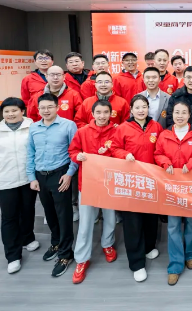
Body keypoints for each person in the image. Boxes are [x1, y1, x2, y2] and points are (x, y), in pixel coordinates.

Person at [0, 97, 39, 274]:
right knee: (9, 217)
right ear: (2, 113)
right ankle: (13, 255)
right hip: (6, 181)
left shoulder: (33, 127)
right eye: (7, 111)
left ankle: (27, 238)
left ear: (23, 111)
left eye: (14, 110)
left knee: (28, 211)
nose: (10, 114)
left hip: (28, 179)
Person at [154, 101, 192, 286]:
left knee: (191, 223)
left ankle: (190, 255)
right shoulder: (164, 135)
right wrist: (165, 162)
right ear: (172, 114)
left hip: (191, 186)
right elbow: (157, 153)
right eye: (177, 112)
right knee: (173, 225)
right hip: (172, 187)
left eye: (183, 112)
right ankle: (175, 265)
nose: (179, 116)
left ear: (189, 115)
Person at [111, 95, 164, 282]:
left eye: (144, 107)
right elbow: (114, 149)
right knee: (133, 223)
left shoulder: (156, 127)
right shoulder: (123, 128)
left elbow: (161, 150)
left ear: (148, 108)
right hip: (131, 183)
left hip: (151, 182)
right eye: (137, 107)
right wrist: (124, 154)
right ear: (131, 110)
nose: (141, 110)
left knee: (150, 219)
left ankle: (149, 247)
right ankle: (137, 263)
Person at [27, 94, 78, 277]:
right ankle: (56, 242)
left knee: (64, 215)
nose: (46, 110)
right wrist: (31, 177)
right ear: (38, 109)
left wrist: (69, 174)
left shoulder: (68, 125)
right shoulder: (34, 128)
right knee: (49, 213)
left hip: (60, 174)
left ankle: (66, 254)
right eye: (42, 108)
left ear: (57, 107)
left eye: (50, 107)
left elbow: (75, 151)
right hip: (40, 176)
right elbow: (30, 153)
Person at [68, 100, 118, 284]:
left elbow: (121, 153)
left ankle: (108, 244)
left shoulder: (117, 131)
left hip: (110, 184)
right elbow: (73, 151)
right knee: (85, 222)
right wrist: (78, 156)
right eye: (99, 112)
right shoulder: (82, 132)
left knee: (110, 217)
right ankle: (82, 259)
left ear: (111, 114)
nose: (102, 116)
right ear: (93, 114)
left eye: (106, 112)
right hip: (87, 184)